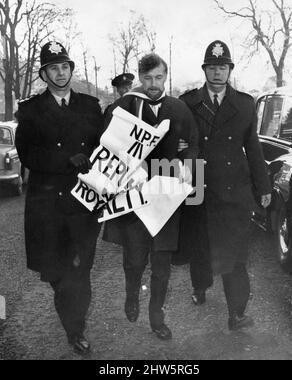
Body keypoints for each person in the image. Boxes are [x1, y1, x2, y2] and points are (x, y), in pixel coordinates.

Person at [15, 41, 104, 354]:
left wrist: (89, 158)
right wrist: (67, 158)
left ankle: (74, 324)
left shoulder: (91, 106)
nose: (61, 72)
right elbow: (27, 154)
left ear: (71, 70)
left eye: (65, 66)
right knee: (58, 274)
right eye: (54, 67)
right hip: (48, 205)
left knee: (81, 271)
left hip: (84, 204)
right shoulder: (30, 111)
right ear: (44, 73)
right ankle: (72, 320)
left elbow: (104, 148)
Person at [104, 53, 199, 340]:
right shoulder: (124, 106)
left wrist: (187, 163)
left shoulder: (179, 108)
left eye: (158, 78)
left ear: (165, 77)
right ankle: (132, 293)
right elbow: (105, 143)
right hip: (134, 199)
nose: (153, 84)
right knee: (134, 261)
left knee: (162, 268)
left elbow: (193, 145)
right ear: (140, 77)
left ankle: (157, 318)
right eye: (147, 78)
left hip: (166, 201)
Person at [180, 40, 272, 330]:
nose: (217, 72)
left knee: (236, 255)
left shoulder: (244, 104)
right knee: (200, 247)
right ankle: (199, 287)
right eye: (212, 67)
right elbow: (178, 146)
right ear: (204, 70)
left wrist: (265, 187)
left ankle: (237, 313)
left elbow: (253, 148)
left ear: (229, 70)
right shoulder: (188, 103)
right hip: (199, 188)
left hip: (235, 191)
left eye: (223, 67)